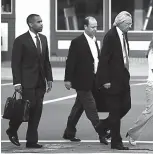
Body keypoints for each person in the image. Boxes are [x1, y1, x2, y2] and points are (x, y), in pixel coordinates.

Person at [7, 14, 53, 148]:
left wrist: (49, 78)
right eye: (38, 22)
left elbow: (46, 61)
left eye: (42, 21)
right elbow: (15, 63)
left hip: (40, 82)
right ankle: (12, 129)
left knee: (37, 111)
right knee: (25, 110)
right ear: (31, 24)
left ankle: (31, 141)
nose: (41, 24)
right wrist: (17, 82)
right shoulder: (20, 40)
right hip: (27, 82)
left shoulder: (43, 39)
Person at [63, 16, 108, 145]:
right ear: (85, 27)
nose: (95, 29)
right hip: (81, 80)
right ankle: (102, 133)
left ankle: (69, 132)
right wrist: (67, 79)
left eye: (96, 27)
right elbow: (70, 62)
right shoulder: (77, 42)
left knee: (78, 107)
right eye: (92, 27)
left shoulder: (95, 41)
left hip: (94, 79)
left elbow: (97, 60)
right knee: (91, 107)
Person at [95, 11, 132, 150]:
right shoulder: (110, 36)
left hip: (123, 77)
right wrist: (104, 80)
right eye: (128, 24)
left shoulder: (124, 34)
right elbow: (103, 60)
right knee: (115, 112)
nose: (130, 26)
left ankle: (102, 126)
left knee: (126, 105)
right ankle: (116, 142)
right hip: (111, 79)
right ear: (121, 23)